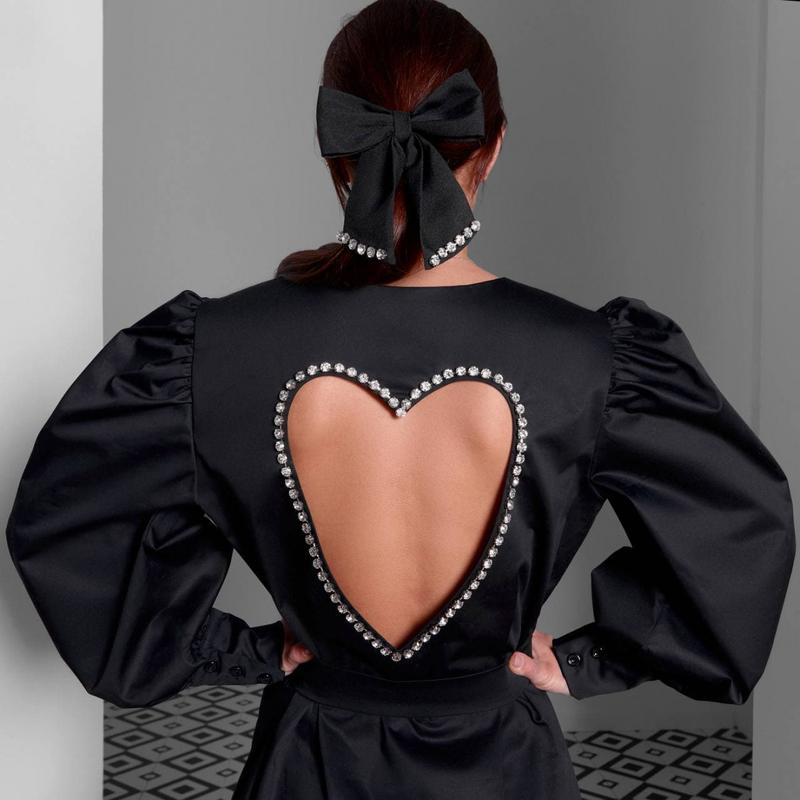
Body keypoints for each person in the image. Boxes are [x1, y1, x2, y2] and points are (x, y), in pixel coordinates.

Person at [5, 1, 795, 798]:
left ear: (336, 154)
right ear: (493, 146)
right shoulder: (594, 358)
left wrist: (240, 649)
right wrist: (590, 658)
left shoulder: (207, 351)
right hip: (505, 767)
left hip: (309, 763)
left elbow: (66, 522)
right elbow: (740, 538)